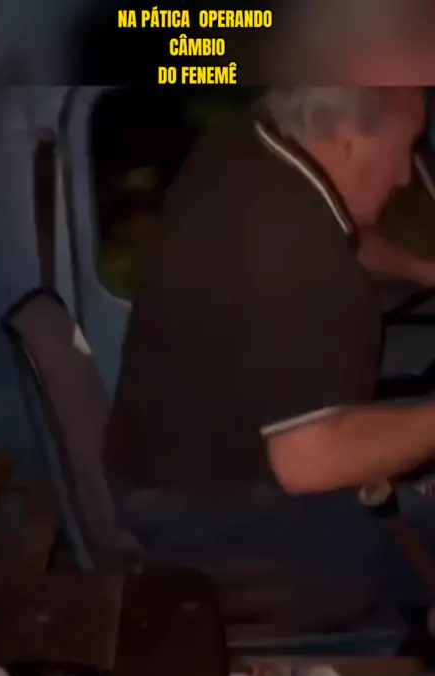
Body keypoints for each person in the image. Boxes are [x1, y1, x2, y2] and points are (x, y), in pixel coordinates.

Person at [104, 86, 435, 612]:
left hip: (174, 462)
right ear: (348, 139)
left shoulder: (251, 149)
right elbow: (310, 459)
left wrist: (423, 270)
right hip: (212, 516)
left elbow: (343, 235)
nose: (405, 176)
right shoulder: (292, 251)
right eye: (405, 146)